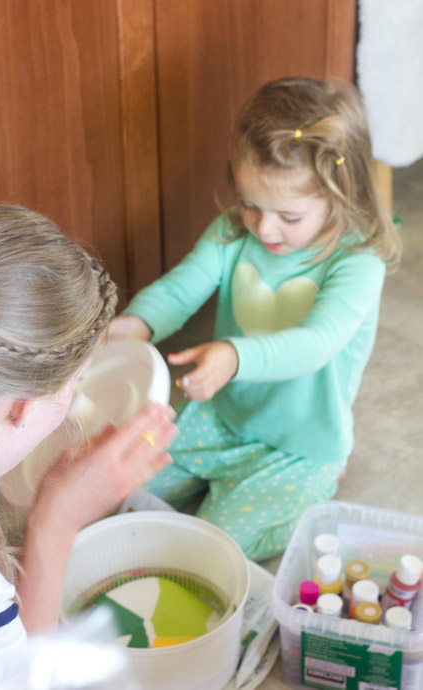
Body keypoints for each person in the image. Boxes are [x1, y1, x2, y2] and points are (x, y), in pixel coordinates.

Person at [108, 76, 400, 562]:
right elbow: (181, 289)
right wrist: (136, 324)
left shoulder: (358, 261)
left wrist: (234, 356)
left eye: (289, 216)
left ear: (341, 195)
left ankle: (317, 484)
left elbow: (318, 342)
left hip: (300, 446)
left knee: (205, 547)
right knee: (122, 484)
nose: (264, 227)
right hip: (226, 418)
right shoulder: (231, 232)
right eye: (249, 203)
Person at [0, 204, 177, 661]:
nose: (78, 396)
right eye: (76, 383)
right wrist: (54, 523)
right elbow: (25, 677)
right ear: (23, 406)